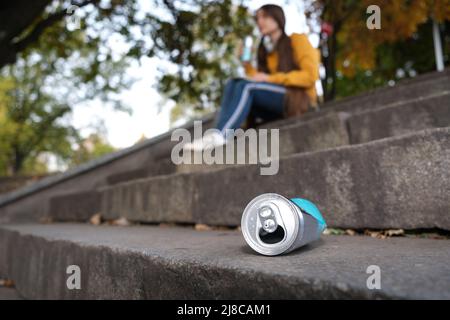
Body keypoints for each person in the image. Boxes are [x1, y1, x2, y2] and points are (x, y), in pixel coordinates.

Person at [184, 4, 320, 151]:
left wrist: (270, 79)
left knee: (246, 87)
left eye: (265, 16)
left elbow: (310, 76)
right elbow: (259, 81)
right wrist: (246, 64)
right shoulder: (266, 52)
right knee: (234, 83)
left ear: (278, 18)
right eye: (258, 18)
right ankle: (218, 133)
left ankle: (220, 136)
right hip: (278, 102)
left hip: (300, 100)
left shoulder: (297, 40)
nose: (260, 21)